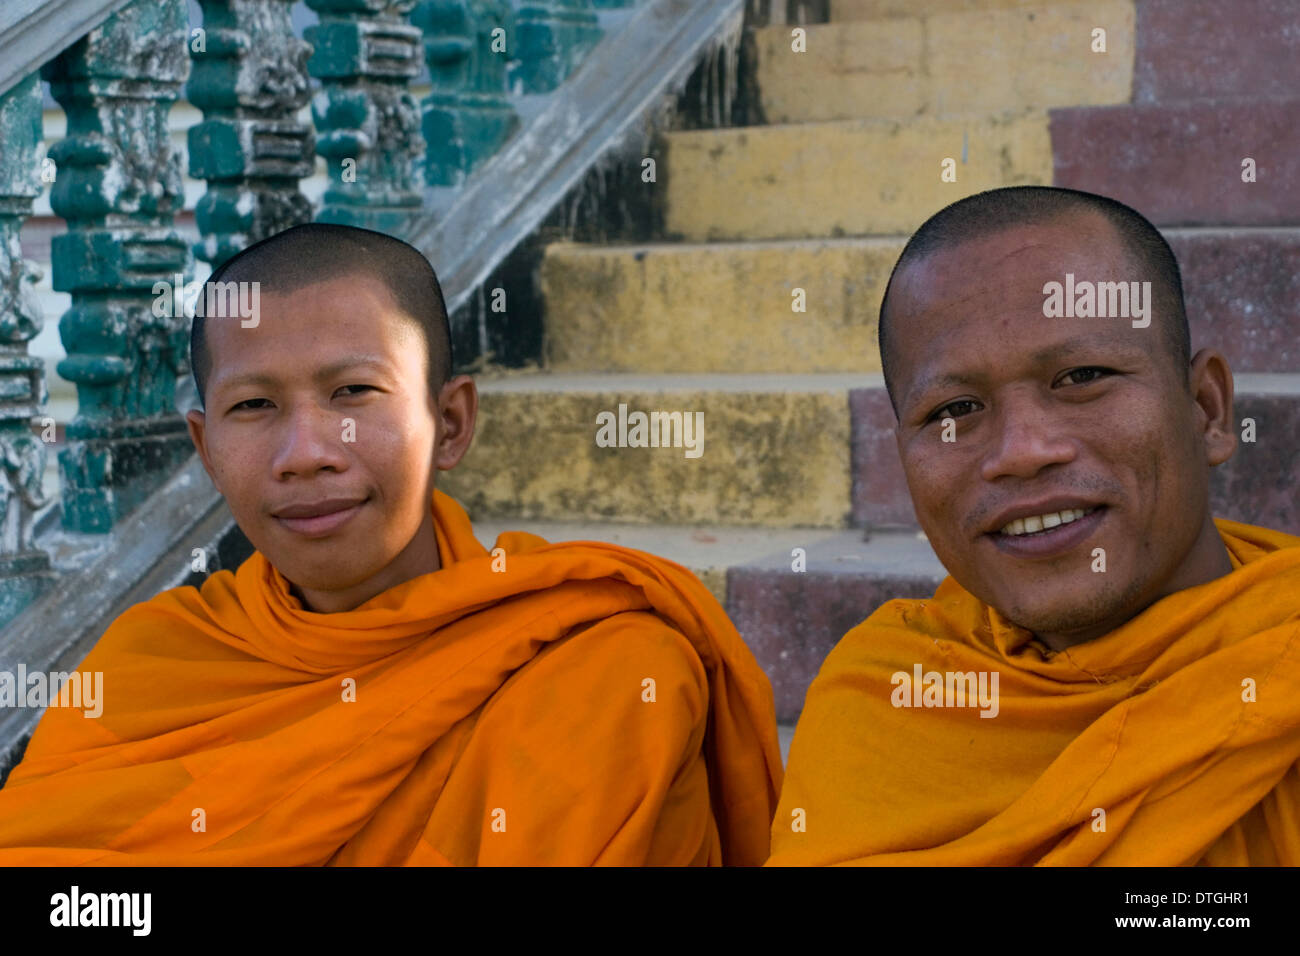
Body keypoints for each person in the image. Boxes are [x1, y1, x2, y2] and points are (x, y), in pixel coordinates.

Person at [0, 223, 782, 865]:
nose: (306, 451)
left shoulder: (605, 672)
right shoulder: (153, 669)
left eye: (352, 392)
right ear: (206, 450)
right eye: (254, 405)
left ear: (450, 423)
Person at [768, 186, 1300, 866]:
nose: (1021, 451)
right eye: (955, 409)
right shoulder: (882, 704)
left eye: (1083, 375)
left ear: (1206, 410)